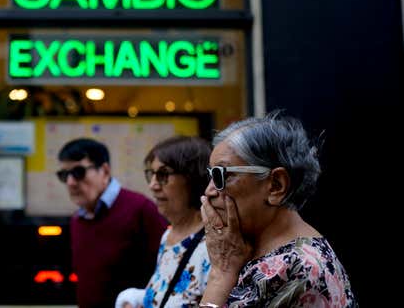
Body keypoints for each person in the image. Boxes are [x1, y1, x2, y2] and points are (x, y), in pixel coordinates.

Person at [198, 111, 357, 307]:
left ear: (276, 185)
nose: (210, 191)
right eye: (211, 175)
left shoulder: (299, 268)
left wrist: (220, 276)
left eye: (222, 175)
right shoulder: (242, 247)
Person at [57, 138, 168, 308]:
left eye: (78, 172)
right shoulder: (77, 220)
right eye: (64, 175)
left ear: (105, 171)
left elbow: (168, 272)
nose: (71, 182)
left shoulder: (141, 209)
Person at [116, 135, 213, 308]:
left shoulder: (214, 246)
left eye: (163, 174)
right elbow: (162, 294)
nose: (153, 185)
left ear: (192, 178)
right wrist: (132, 299)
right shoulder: (169, 235)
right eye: (151, 174)